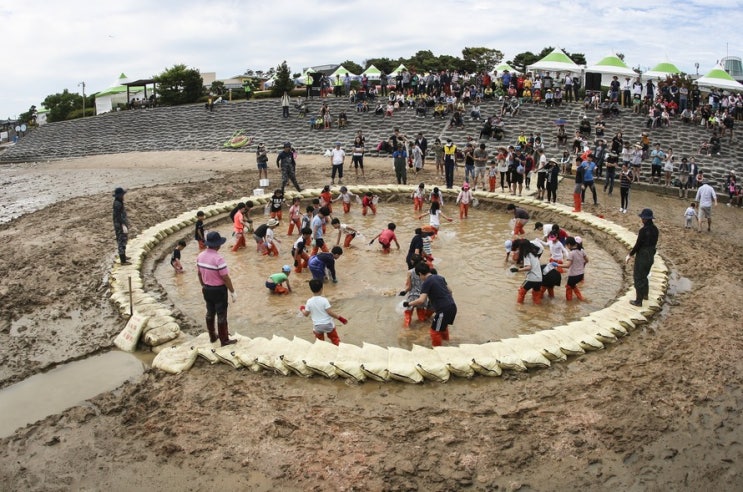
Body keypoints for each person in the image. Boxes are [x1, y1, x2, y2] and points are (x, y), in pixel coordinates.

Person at [196, 231, 237, 346]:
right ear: (218, 245)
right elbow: (225, 278)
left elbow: (199, 274)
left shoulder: (200, 256)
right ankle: (224, 340)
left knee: (210, 312)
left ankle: (212, 336)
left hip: (207, 289)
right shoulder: (219, 259)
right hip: (219, 290)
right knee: (221, 314)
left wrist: (203, 285)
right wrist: (232, 292)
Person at [404, 262, 457, 347]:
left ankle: (437, 350)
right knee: (443, 328)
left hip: (443, 310)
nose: (420, 278)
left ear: (420, 274)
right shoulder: (440, 277)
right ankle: (447, 345)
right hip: (452, 306)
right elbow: (450, 291)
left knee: (434, 332)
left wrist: (409, 303)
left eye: (419, 276)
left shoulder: (427, 282)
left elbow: (421, 300)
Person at [625, 209, 659, 307]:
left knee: (638, 277)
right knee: (645, 275)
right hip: (651, 254)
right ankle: (645, 295)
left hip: (643, 255)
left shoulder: (643, 231)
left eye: (642, 218)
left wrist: (630, 254)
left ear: (645, 219)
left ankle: (638, 301)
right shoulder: (655, 229)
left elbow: (638, 245)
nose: (641, 219)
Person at [300, 278, 348, 345]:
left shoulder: (309, 301)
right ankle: (338, 348)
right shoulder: (324, 300)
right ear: (321, 289)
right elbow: (330, 312)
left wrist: (302, 309)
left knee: (320, 342)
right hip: (328, 325)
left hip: (317, 326)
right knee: (335, 340)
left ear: (311, 289)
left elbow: (306, 314)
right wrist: (340, 318)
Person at [398, 254, 432, 326]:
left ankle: (406, 331)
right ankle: (421, 332)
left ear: (412, 262)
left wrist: (404, 292)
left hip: (412, 297)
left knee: (408, 316)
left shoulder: (410, 272)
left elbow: (409, 287)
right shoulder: (426, 271)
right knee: (421, 317)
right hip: (422, 297)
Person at [509, 239, 544, 305]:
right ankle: (538, 308)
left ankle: (519, 306)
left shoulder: (526, 255)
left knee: (521, 291)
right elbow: (533, 266)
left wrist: (517, 270)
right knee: (536, 295)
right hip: (539, 279)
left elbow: (529, 267)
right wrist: (522, 268)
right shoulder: (534, 254)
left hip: (531, 278)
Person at [563, 236, 588, 302]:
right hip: (581, 275)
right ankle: (581, 298)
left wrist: (557, 265)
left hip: (573, 276)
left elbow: (568, 266)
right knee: (573, 285)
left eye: (567, 245)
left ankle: (569, 304)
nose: (567, 247)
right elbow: (587, 260)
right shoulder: (582, 250)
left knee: (568, 288)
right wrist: (581, 266)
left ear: (569, 245)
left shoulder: (571, 253)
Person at [112, 187, 131, 265]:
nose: (123, 196)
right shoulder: (117, 204)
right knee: (121, 241)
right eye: (122, 195)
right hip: (119, 225)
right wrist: (122, 224)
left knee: (124, 240)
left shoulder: (119, 202)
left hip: (121, 224)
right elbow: (118, 216)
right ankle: (123, 260)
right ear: (119, 195)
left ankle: (124, 256)